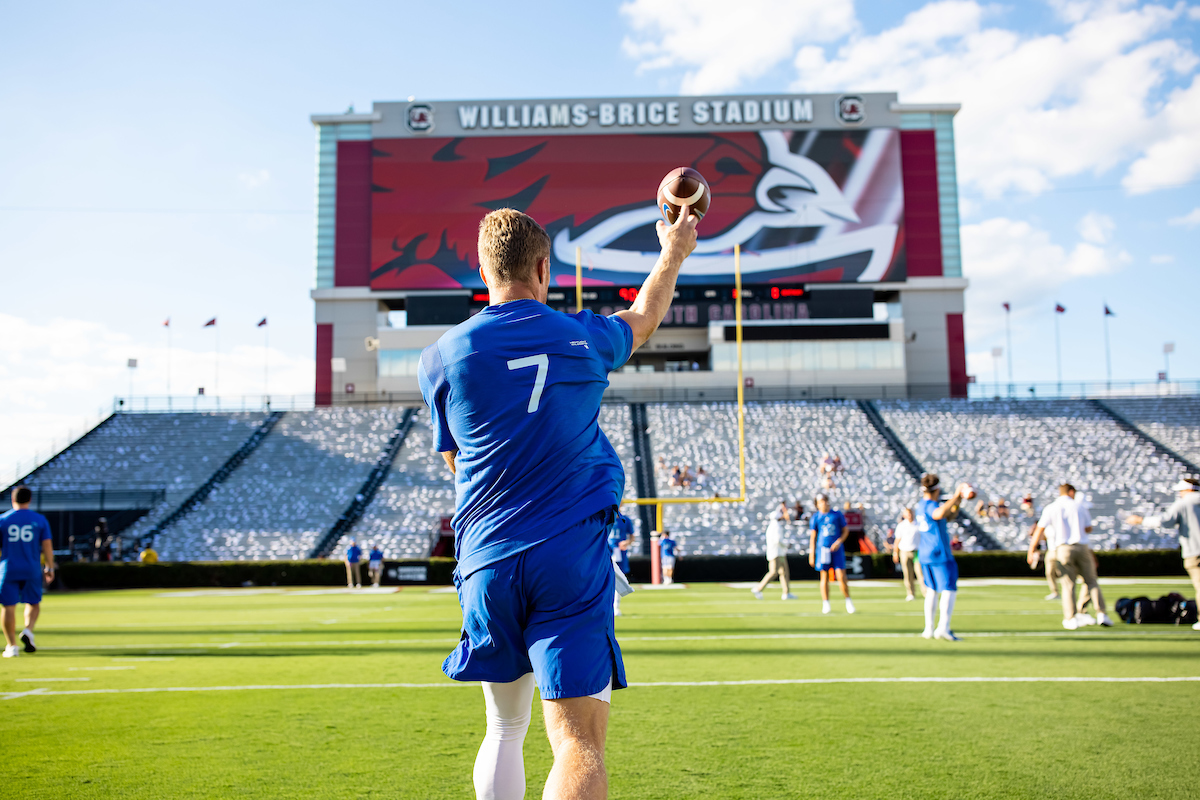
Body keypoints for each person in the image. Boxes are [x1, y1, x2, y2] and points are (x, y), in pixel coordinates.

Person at [418, 204, 698, 800]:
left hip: (488, 555)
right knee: (577, 743)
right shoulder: (581, 336)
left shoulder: (442, 354)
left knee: (503, 726)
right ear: (544, 267)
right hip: (568, 553)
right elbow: (644, 317)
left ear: (482, 269)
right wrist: (673, 250)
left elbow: (455, 460)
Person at [1028, 484, 1112, 629]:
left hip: (1063, 548)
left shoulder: (1051, 507)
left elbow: (1039, 529)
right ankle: (1101, 614)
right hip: (1082, 546)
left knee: (1068, 585)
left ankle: (1071, 618)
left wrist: (1031, 549)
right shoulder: (1079, 507)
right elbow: (1088, 528)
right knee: (1091, 581)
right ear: (1071, 492)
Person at [1127, 477, 1200, 631]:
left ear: (1187, 489)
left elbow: (1165, 521)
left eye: (1181, 491)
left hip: (1195, 551)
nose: (1180, 494)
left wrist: (1141, 520)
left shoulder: (1184, 503)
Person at [0, 486, 55, 657]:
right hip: (31, 568)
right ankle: (28, 630)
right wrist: (50, 566)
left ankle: (12, 646)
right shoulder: (39, 519)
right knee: (33, 602)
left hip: (8, 568)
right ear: (30, 499)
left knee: (8, 606)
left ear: (12, 499)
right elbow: (47, 546)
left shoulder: (3, 519)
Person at [915, 474, 964, 641]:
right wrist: (956, 496)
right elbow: (938, 513)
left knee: (932, 591)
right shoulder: (930, 505)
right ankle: (943, 627)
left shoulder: (920, 505)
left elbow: (947, 516)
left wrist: (957, 503)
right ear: (937, 489)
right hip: (939, 553)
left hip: (925, 553)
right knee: (949, 588)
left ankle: (928, 628)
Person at [808, 494, 854, 614]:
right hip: (822, 550)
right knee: (824, 577)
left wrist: (838, 541)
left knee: (841, 576)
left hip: (837, 550)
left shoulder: (836, 514)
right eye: (820, 501)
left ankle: (848, 600)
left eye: (824, 500)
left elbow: (845, 531)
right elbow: (813, 537)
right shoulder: (816, 517)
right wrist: (811, 553)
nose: (822, 503)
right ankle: (826, 603)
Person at [752, 501, 794, 600]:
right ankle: (758, 589)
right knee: (773, 572)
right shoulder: (776, 526)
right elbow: (778, 540)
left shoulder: (771, 526)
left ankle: (786, 592)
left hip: (777, 552)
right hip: (777, 553)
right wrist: (787, 545)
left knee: (783, 572)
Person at [892, 507, 922, 601]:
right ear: (904, 515)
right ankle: (910, 593)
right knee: (908, 574)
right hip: (905, 551)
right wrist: (895, 553)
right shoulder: (901, 525)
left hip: (917, 551)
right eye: (907, 513)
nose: (909, 515)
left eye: (910, 513)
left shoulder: (918, 524)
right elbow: (897, 540)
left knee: (920, 573)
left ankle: (925, 592)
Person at [609, 513, 633, 616]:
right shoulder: (604, 517)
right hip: (606, 551)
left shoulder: (625, 520)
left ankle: (616, 607)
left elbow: (632, 537)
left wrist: (627, 542)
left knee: (617, 579)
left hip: (620, 553)